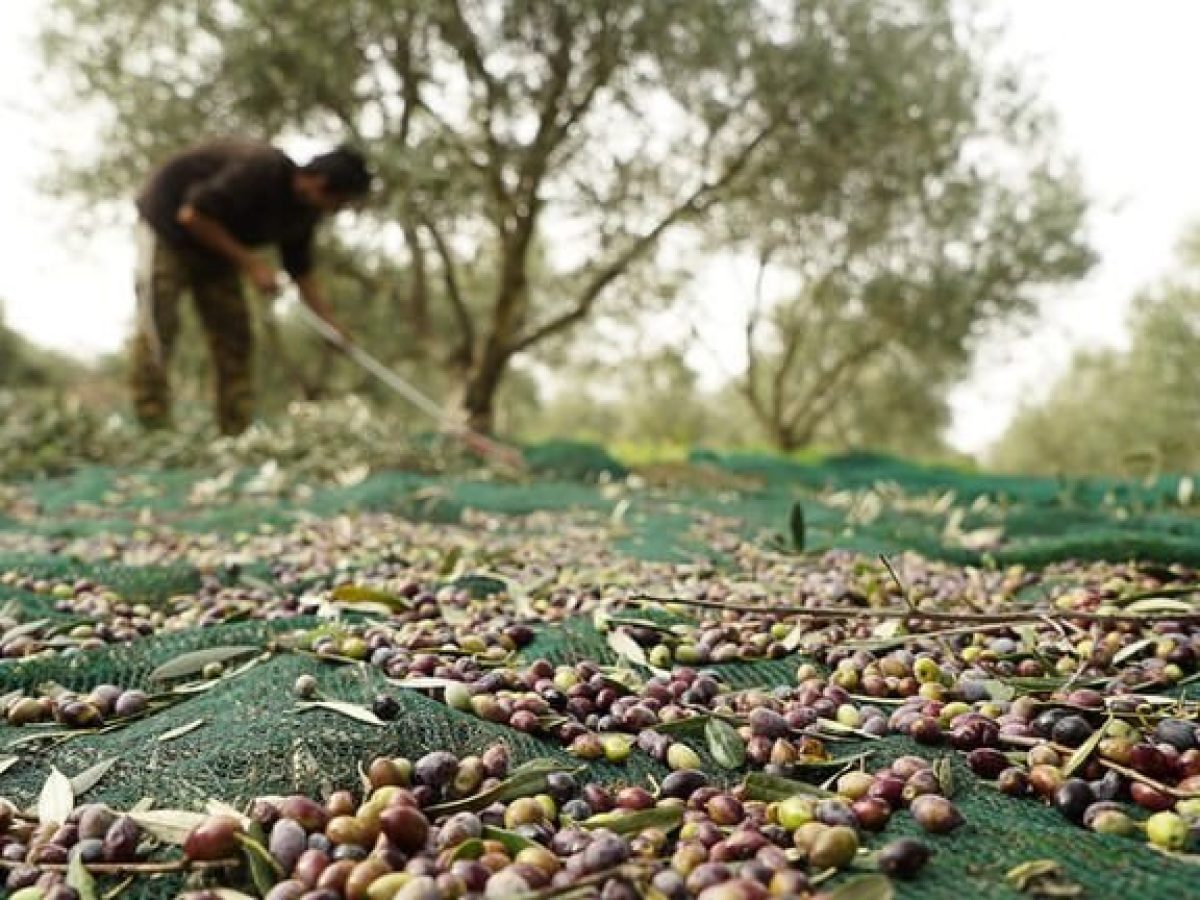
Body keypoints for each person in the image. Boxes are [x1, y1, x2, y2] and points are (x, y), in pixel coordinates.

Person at [130, 139, 372, 435]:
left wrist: (331, 326)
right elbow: (192, 215)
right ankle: (153, 424)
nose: (338, 210)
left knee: (234, 334)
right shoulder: (262, 170)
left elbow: (302, 273)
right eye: (341, 202)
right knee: (160, 320)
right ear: (321, 184)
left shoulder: (304, 214)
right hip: (168, 229)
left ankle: (235, 432)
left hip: (216, 247)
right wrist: (251, 264)